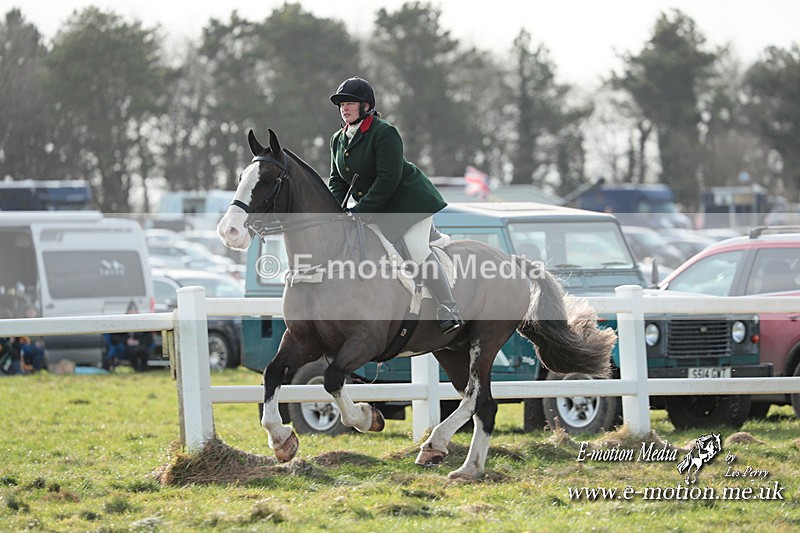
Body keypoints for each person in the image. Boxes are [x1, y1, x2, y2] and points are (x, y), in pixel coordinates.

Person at [327, 76, 463, 334]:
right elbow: (337, 179)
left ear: (366, 106)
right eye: (341, 104)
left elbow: (388, 178)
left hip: (408, 203)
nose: (344, 108)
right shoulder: (337, 139)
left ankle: (449, 308)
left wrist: (361, 210)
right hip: (378, 207)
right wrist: (337, 209)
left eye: (350, 103)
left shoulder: (384, 132)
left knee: (416, 249)